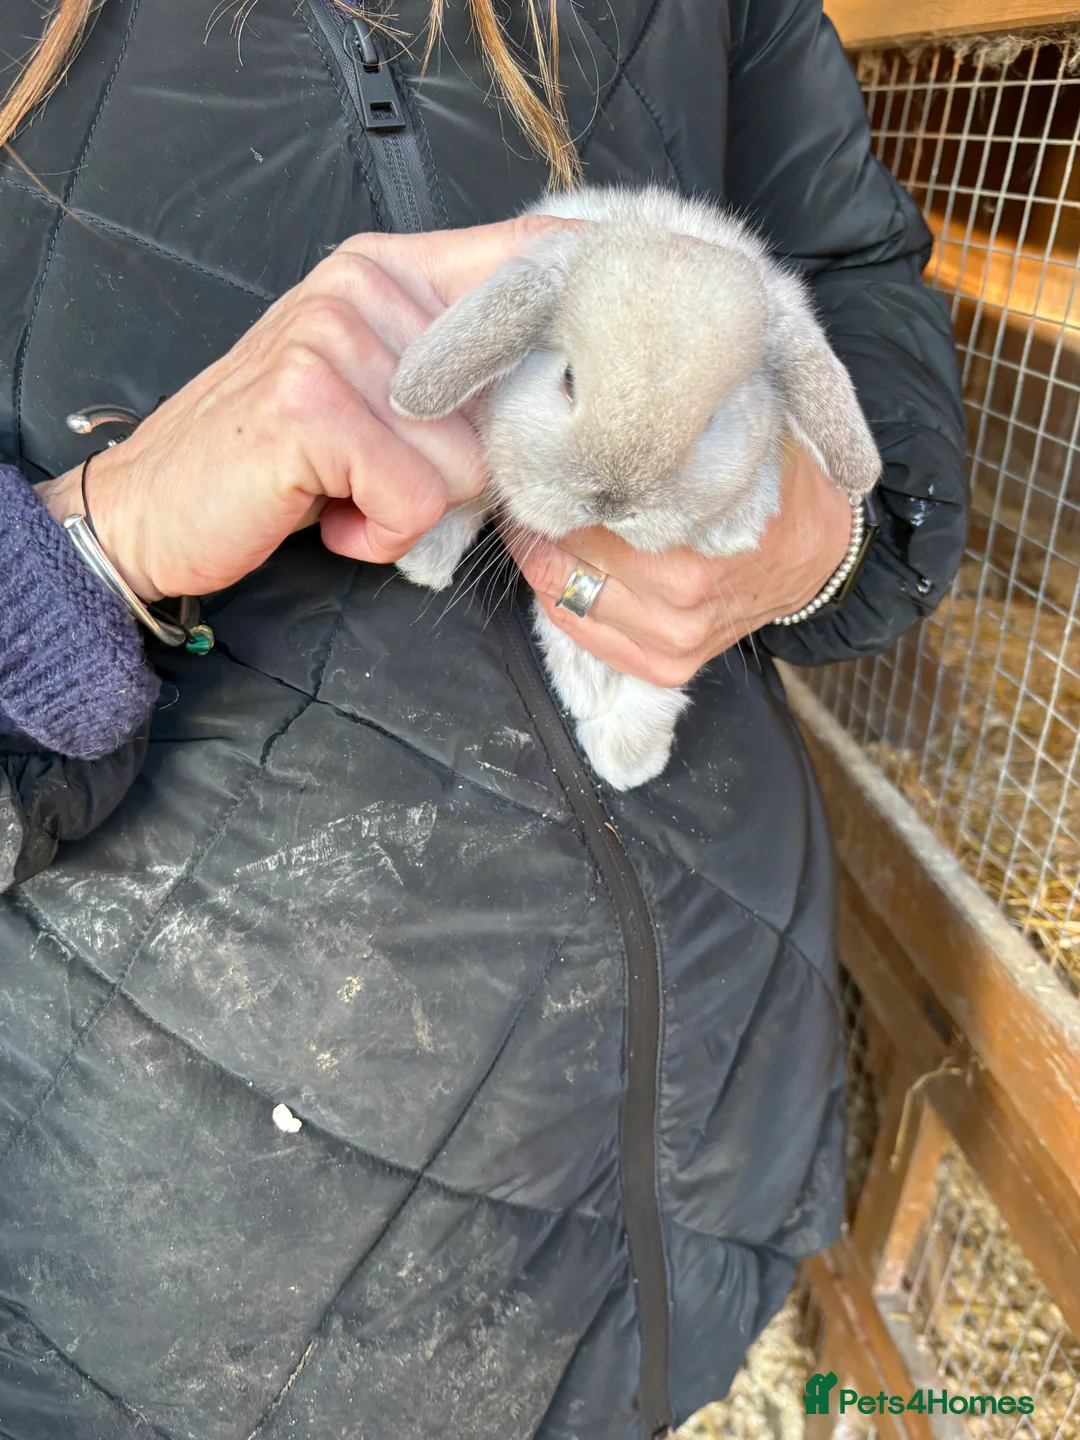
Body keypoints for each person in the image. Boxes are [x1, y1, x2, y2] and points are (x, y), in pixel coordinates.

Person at [0, 0, 966, 1434]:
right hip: (192, 1304)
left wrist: (810, 533)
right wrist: (96, 543)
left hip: (706, 1145)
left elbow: (848, 289)